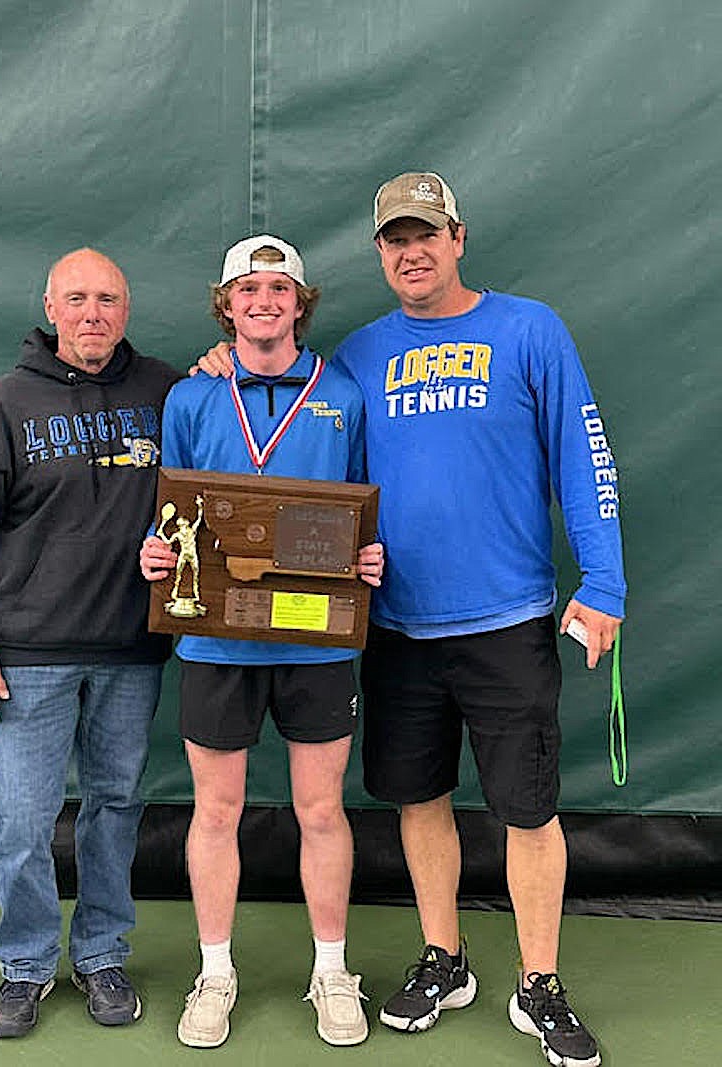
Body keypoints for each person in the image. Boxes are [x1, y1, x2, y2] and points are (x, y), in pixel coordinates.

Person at [193, 175, 626, 1067]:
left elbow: (584, 454)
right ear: (379, 253)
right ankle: (445, 957)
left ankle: (537, 982)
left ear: (458, 236)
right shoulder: (357, 356)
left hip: (508, 619)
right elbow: (292, 408)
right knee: (418, 798)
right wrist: (219, 361)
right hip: (393, 627)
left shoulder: (529, 329)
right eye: (394, 238)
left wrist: (606, 582)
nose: (411, 250)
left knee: (527, 809)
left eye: (426, 233)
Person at [0, 248, 181, 1038]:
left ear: (126, 310)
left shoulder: (167, 393)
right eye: (77, 298)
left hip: (131, 654)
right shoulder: (4, 404)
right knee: (22, 820)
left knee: (115, 809)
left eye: (107, 298)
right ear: (50, 307)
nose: (93, 312)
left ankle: (102, 953)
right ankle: (26, 965)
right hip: (23, 658)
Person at [140, 235, 383, 1049]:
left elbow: (360, 514)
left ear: (300, 304)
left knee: (321, 808)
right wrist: (156, 551)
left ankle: (331, 970)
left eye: (281, 288)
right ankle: (215, 972)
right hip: (216, 645)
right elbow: (175, 515)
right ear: (227, 304)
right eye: (249, 289)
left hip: (317, 645)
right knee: (217, 808)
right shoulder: (190, 396)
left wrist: (369, 555)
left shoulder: (343, 394)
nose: (265, 301)